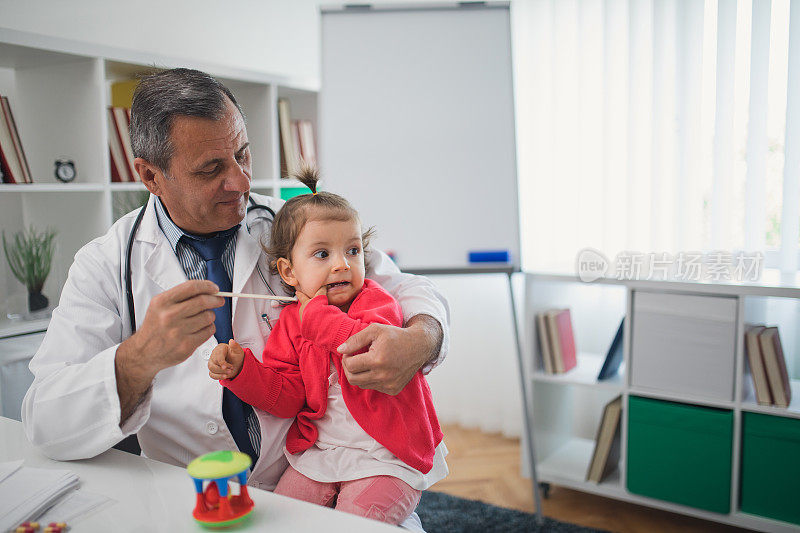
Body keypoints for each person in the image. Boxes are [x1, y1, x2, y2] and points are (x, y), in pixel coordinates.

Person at [21, 68, 449, 529]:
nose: (241, 182)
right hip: (189, 498)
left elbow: (405, 288)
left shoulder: (295, 227)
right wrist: (138, 359)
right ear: (150, 175)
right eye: (211, 169)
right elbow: (45, 420)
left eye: (243, 155)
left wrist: (421, 339)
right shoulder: (106, 264)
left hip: (314, 472)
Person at [208, 167, 448, 525]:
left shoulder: (376, 302)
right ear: (289, 272)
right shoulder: (290, 323)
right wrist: (243, 373)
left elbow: (356, 344)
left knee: (353, 522)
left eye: (353, 251)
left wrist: (313, 311)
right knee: (283, 519)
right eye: (322, 254)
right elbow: (288, 397)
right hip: (321, 452)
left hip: (388, 455)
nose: (342, 264)